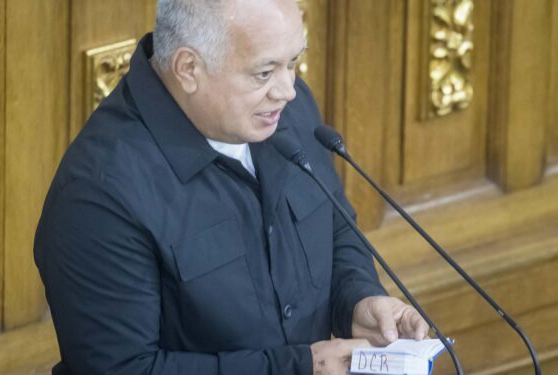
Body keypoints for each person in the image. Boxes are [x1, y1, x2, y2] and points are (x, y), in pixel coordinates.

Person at [34, 0, 429, 374]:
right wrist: (302, 367)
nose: (288, 89)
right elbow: (124, 369)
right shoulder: (99, 196)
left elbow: (335, 228)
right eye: (264, 72)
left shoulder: (282, 111)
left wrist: (359, 300)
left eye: (294, 62)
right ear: (189, 68)